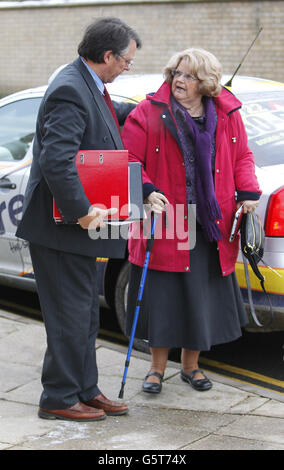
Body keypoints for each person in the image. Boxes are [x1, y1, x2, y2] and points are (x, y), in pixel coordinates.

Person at [16, 17, 142, 421]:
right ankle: (58, 396)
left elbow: (111, 114)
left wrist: (161, 103)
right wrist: (84, 212)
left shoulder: (89, 84)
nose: (127, 67)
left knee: (85, 312)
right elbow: (56, 159)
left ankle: (84, 389)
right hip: (61, 228)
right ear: (107, 56)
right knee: (68, 315)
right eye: (126, 60)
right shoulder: (70, 88)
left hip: (75, 230)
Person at [122, 48, 261, 394]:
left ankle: (191, 366)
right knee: (163, 297)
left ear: (206, 84)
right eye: (176, 74)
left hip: (210, 221)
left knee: (199, 297)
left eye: (189, 76)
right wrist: (147, 189)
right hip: (166, 218)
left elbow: (242, 155)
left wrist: (247, 193)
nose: (179, 81)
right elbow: (127, 157)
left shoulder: (226, 113)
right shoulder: (149, 111)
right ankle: (155, 370)